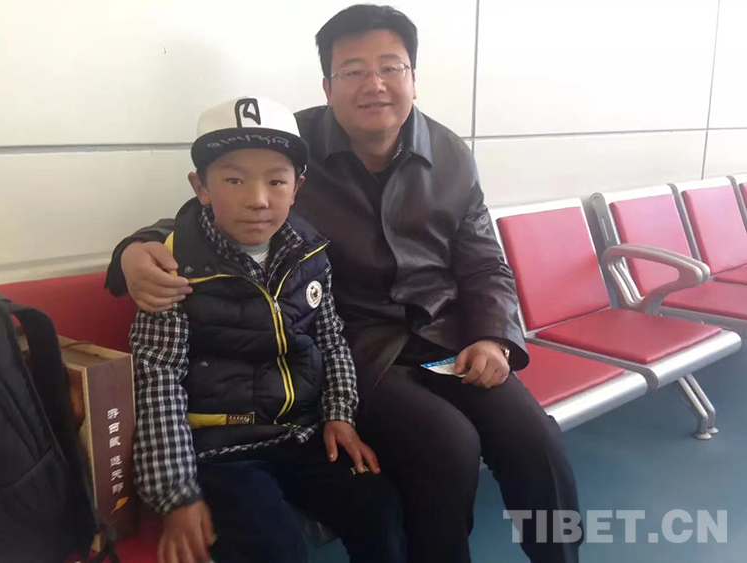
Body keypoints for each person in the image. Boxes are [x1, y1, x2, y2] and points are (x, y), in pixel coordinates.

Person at [107, 5, 582, 562]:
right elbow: (213, 213)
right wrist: (133, 250)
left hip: (450, 338)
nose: (373, 84)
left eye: (390, 67)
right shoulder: (290, 143)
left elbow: (484, 262)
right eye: (353, 70)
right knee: (448, 444)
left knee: (536, 440)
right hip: (360, 349)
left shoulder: (451, 153)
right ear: (328, 86)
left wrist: (494, 337)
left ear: (413, 77)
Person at [129, 95, 405, 563]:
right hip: (220, 449)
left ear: (297, 188)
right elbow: (157, 378)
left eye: (276, 181)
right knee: (274, 548)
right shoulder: (171, 267)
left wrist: (339, 414)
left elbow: (330, 339)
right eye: (234, 180)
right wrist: (175, 495)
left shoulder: (309, 253)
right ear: (201, 186)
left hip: (302, 433)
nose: (258, 200)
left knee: (381, 510)